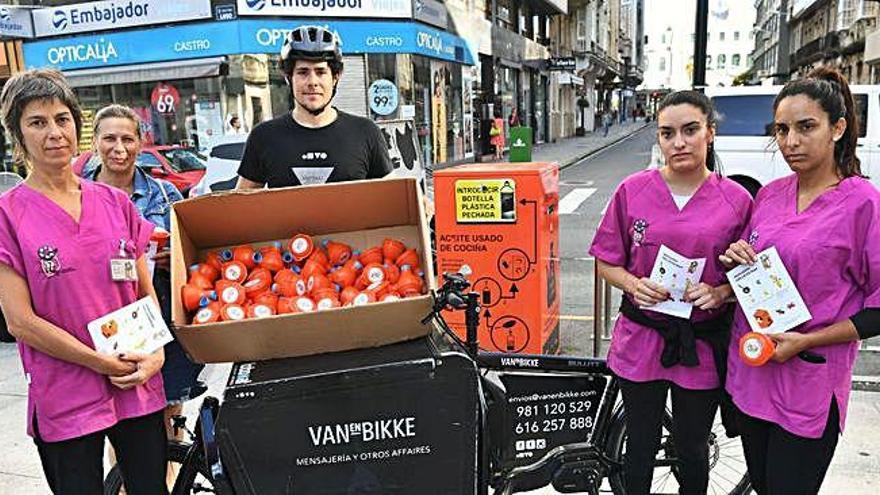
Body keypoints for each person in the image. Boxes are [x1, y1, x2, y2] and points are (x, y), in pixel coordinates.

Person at [0, 69, 167, 494]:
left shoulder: (115, 203)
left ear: (77, 125)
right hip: (66, 394)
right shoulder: (9, 215)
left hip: (136, 380)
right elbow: (20, 322)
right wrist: (99, 363)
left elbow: (143, 289)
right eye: (37, 122)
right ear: (18, 135)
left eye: (62, 119)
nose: (54, 132)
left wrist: (156, 356)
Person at [722, 67, 880, 494]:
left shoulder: (863, 204)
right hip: (754, 373)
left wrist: (807, 341)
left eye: (806, 127)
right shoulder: (770, 195)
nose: (791, 142)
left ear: (838, 127)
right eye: (782, 129)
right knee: (761, 484)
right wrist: (736, 261)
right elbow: (756, 269)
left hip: (808, 381)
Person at [589, 90, 753, 494]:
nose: (678, 142)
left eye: (690, 130)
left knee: (692, 449)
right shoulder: (632, 190)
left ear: (709, 134)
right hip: (643, 335)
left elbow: (753, 275)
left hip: (701, 343)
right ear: (658, 139)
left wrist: (720, 292)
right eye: (667, 133)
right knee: (638, 446)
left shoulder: (737, 201)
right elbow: (606, 260)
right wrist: (633, 283)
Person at [81, 104, 206, 442]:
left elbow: (190, 254)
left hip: (156, 313)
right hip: (103, 318)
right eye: (109, 138)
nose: (118, 148)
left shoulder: (164, 194)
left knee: (169, 409)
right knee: (119, 418)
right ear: (95, 143)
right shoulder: (76, 195)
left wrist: (172, 259)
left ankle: (171, 481)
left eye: (127, 138)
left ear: (140, 143)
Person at [236, 25, 392, 189]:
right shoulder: (263, 137)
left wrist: (419, 202)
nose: (312, 82)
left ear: (335, 77)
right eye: (303, 72)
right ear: (289, 78)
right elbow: (240, 204)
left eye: (321, 72)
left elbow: (393, 197)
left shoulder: (365, 132)